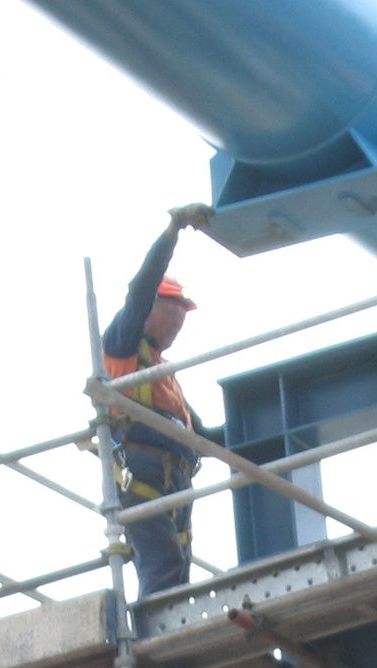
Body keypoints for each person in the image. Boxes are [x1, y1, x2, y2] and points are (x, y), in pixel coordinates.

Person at [100, 203, 220, 598]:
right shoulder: (124, 349)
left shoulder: (161, 373)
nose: (176, 327)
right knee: (163, 565)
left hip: (176, 478)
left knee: (179, 571)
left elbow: (205, 436)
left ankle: (176, 637)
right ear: (153, 311)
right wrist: (173, 231)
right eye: (172, 316)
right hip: (142, 471)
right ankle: (156, 637)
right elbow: (139, 290)